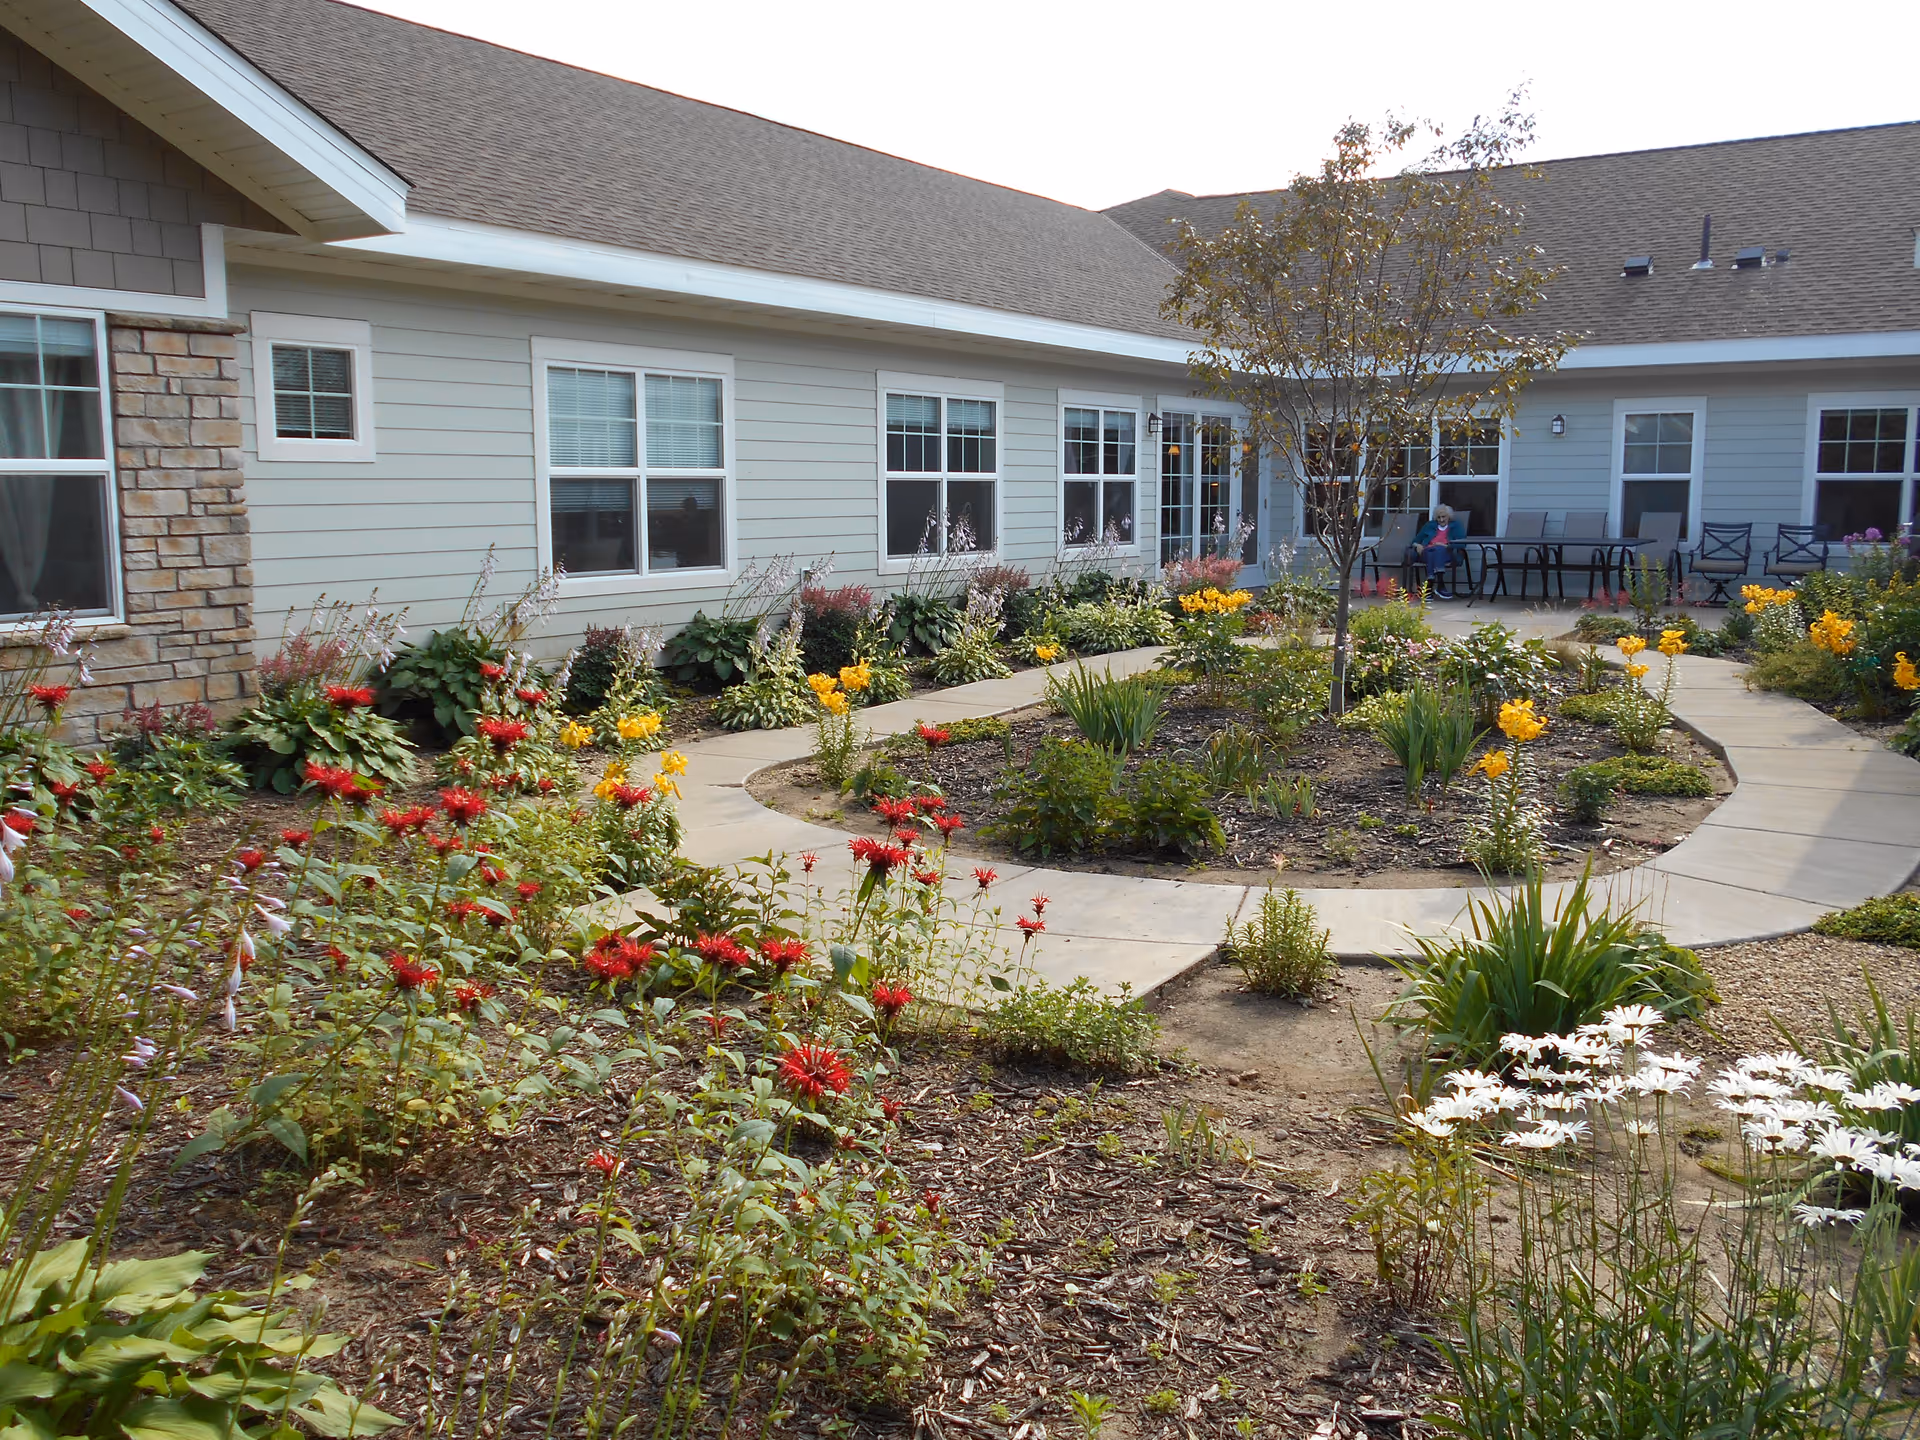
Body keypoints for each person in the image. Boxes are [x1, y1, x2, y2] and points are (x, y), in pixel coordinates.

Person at [1413, 505, 1466, 599]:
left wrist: (1445, 546)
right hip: (1427, 552)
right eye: (1438, 517)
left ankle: (1429, 586)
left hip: (1448, 553)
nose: (1441, 520)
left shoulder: (1456, 526)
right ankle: (1440, 586)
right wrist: (1418, 545)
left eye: (1443, 517)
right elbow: (1415, 541)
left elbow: (1462, 544)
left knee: (1438, 550)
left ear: (1449, 516)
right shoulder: (1429, 525)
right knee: (1432, 550)